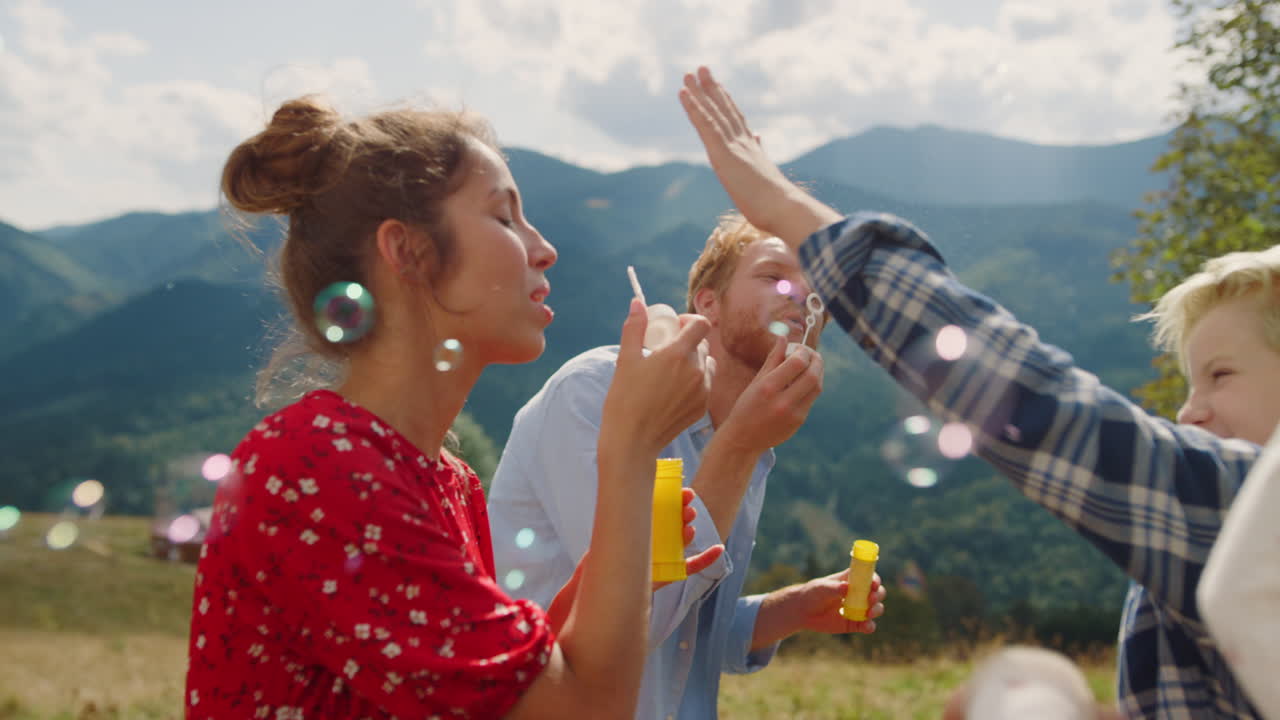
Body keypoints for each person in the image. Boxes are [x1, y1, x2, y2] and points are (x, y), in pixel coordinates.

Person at [678, 65, 1270, 719]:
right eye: (1191, 380)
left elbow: (1043, 404)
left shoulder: (1251, 510)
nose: (1188, 410)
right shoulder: (1233, 545)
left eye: (1222, 373)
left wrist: (786, 209)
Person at [185, 96, 721, 719]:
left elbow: (495, 691)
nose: (544, 249)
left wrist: (617, 570)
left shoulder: (447, 481)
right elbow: (581, 709)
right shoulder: (316, 467)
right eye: (505, 218)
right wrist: (631, 447)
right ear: (408, 252)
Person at [488, 212, 887, 719]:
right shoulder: (596, 394)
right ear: (708, 304)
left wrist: (790, 609)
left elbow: (685, 633)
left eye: (816, 286)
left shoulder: (746, 437)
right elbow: (628, 617)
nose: (802, 294)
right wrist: (739, 446)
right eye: (773, 275)